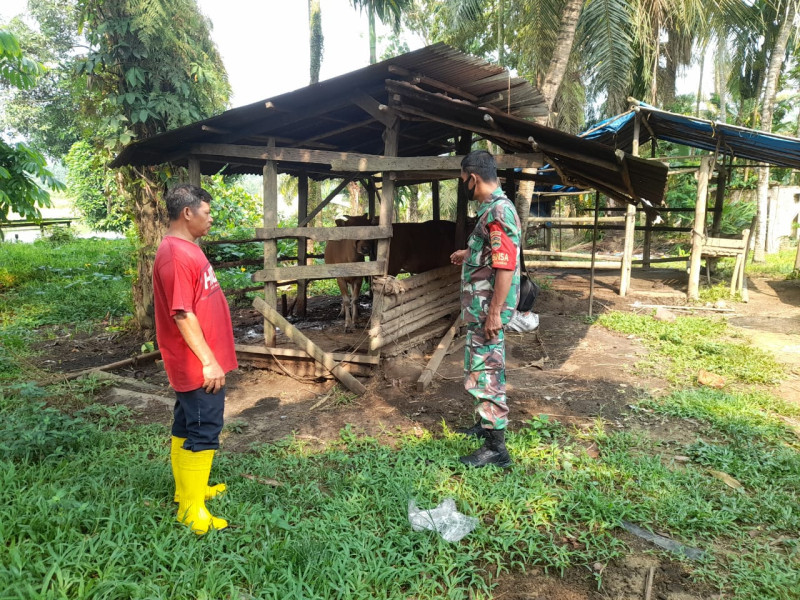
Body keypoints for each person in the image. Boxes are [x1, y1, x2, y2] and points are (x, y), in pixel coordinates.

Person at [153, 184, 238, 534]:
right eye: (207, 212)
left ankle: (188, 490)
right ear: (187, 213)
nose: (211, 217)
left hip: (198, 358)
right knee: (204, 429)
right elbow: (182, 314)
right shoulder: (175, 255)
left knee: (186, 424)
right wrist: (208, 361)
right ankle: (191, 510)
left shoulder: (187, 249)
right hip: (195, 362)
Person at [450, 150, 521, 468]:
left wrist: (494, 311)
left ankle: (496, 448)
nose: (463, 186)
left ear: (473, 178)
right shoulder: (493, 211)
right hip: (480, 310)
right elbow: (494, 252)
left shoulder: (498, 212)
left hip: (486, 311)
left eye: (463, 180)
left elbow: (506, 266)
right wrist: (469, 252)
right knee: (479, 367)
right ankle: (484, 424)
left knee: (487, 372)